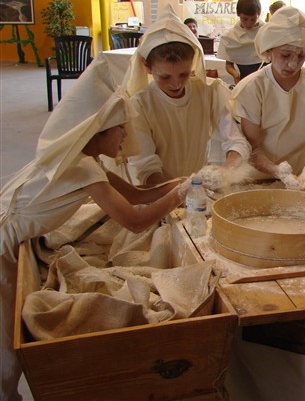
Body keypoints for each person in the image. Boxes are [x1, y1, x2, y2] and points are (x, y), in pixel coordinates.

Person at [0, 54, 190, 401]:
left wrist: (187, 179)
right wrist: (181, 194)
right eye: (120, 129)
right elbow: (134, 221)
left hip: (9, 239)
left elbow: (136, 193)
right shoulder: (81, 168)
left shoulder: (83, 158)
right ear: (98, 131)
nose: (124, 136)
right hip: (2, 246)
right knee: (5, 348)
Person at [124, 4, 251, 186]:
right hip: (158, 191)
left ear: (193, 62)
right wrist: (179, 192)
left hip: (195, 186)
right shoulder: (140, 105)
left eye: (184, 74)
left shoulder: (209, 92)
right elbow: (146, 167)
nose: (175, 84)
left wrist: (226, 170)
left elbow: (236, 142)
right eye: (165, 77)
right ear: (147, 66)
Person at [231, 5, 305, 191]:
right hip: (254, 182)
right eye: (285, 54)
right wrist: (277, 171)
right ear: (270, 50)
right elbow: (253, 150)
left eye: (301, 56)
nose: (293, 63)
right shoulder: (253, 88)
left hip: (296, 181)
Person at [217, 0, 265, 84]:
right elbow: (228, 65)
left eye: (253, 19)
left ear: (258, 14)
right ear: (238, 14)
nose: (249, 23)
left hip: (265, 79)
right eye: (245, 19)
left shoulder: (266, 31)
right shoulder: (230, 37)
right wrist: (235, 75)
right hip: (243, 80)